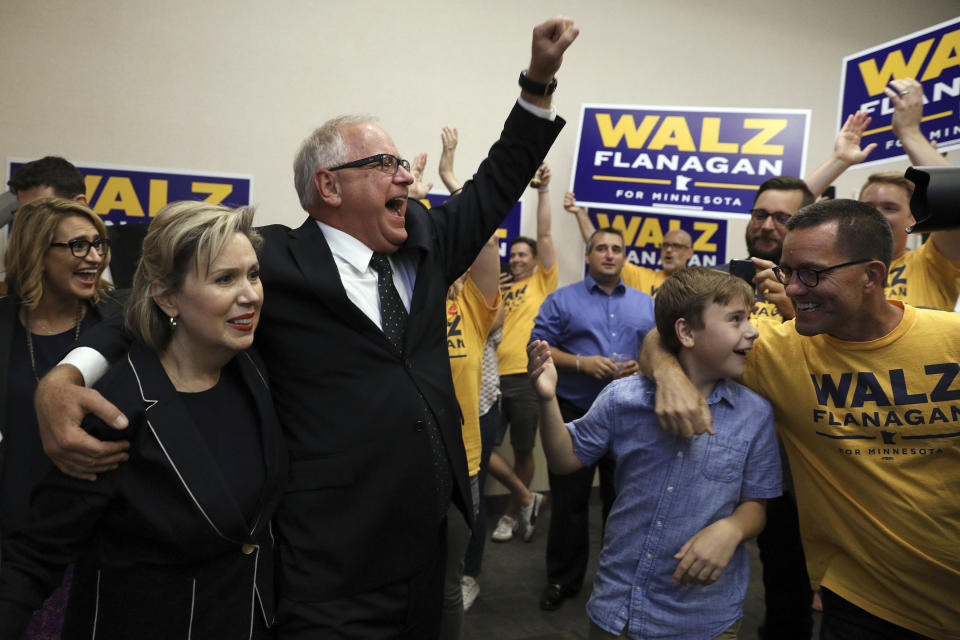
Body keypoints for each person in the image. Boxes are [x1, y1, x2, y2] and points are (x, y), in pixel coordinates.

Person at [33, 18, 578, 638]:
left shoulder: (428, 240)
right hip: (330, 571)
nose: (405, 176)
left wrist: (538, 80)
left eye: (403, 163)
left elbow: (499, 178)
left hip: (432, 545)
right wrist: (66, 374)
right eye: (386, 164)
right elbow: (142, 303)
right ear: (329, 185)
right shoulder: (270, 262)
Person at [642, 199, 960, 639]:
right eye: (787, 273)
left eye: (811, 273)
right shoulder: (779, 351)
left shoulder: (950, 340)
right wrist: (667, 374)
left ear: (872, 275)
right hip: (865, 604)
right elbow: (665, 334)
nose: (791, 290)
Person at [0, 201, 286, 639]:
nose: (250, 293)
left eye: (252, 274)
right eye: (224, 279)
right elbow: (35, 554)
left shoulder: (254, 368)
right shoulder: (115, 408)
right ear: (167, 296)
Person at [529, 266, 781, 639]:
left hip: (704, 618)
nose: (752, 330)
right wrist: (548, 399)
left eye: (750, 317)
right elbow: (565, 459)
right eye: (735, 319)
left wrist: (733, 528)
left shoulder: (755, 414)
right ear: (686, 332)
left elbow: (756, 504)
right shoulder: (623, 398)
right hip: (619, 608)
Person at [0, 197, 119, 638]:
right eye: (77, 246)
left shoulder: (119, 325)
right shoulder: (4, 325)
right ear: (36, 252)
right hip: (14, 538)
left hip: (96, 541)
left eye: (98, 244)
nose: (94, 257)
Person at [529, 227, 656, 612]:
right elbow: (536, 348)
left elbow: (662, 348)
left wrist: (644, 366)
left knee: (625, 504)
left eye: (616, 249)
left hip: (630, 414)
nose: (609, 254)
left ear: (624, 258)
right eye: (601, 248)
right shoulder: (562, 300)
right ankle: (562, 579)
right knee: (569, 502)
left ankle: (620, 579)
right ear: (588, 256)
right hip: (576, 411)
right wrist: (582, 363)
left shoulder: (645, 304)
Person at [804, 79, 960, 311]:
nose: (876, 215)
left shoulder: (932, 263)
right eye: (868, 206)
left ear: (914, 218)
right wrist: (839, 161)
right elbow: (782, 216)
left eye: (890, 207)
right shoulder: (835, 267)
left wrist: (910, 134)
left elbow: (954, 200)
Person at [492, 162, 557, 543]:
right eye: (512, 255)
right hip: (491, 377)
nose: (516, 259)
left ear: (533, 260)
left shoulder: (542, 281)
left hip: (525, 375)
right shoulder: (499, 288)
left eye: (522, 255)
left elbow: (545, 233)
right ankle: (525, 497)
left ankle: (514, 513)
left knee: (521, 449)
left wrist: (543, 191)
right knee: (481, 449)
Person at [563, 191, 693, 296]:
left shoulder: (698, 284)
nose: (669, 250)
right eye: (665, 245)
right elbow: (598, 243)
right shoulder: (643, 277)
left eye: (676, 246)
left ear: (689, 253)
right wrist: (579, 212)